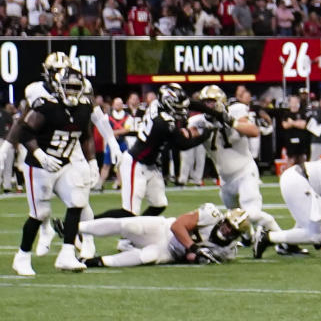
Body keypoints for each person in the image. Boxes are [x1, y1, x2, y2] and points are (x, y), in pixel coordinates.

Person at [9, 64, 95, 275]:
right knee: (40, 213)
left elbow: (85, 135)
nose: (72, 92)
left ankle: (67, 254)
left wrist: (91, 161)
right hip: (39, 165)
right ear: (57, 86)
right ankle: (22, 256)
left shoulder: (84, 107)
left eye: (76, 87)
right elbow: (24, 131)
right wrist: (39, 154)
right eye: (68, 87)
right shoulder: (46, 106)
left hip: (64, 163)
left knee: (77, 202)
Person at [97, 83, 211, 218]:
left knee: (159, 205)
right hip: (136, 162)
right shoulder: (162, 122)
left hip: (150, 164)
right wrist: (206, 134)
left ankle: (135, 235)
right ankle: (85, 225)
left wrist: (214, 112)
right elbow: (183, 144)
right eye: (177, 106)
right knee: (129, 212)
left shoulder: (157, 105)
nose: (181, 110)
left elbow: (189, 104)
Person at [189, 85, 282, 241]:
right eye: (204, 102)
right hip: (225, 179)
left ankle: (281, 238)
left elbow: (254, 131)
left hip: (245, 172)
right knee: (236, 221)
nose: (207, 106)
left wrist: (231, 122)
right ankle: (251, 239)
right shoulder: (198, 121)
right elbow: (186, 138)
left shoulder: (236, 111)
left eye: (211, 102)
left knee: (251, 214)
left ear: (220, 101)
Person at [79, 204, 248, 268]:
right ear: (223, 220)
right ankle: (77, 227)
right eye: (227, 226)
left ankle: (94, 262)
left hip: (171, 252)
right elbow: (178, 225)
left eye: (232, 231)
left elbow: (190, 258)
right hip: (164, 229)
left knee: (147, 257)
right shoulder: (211, 215)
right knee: (128, 224)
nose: (226, 231)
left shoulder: (228, 251)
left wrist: (194, 257)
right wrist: (194, 248)